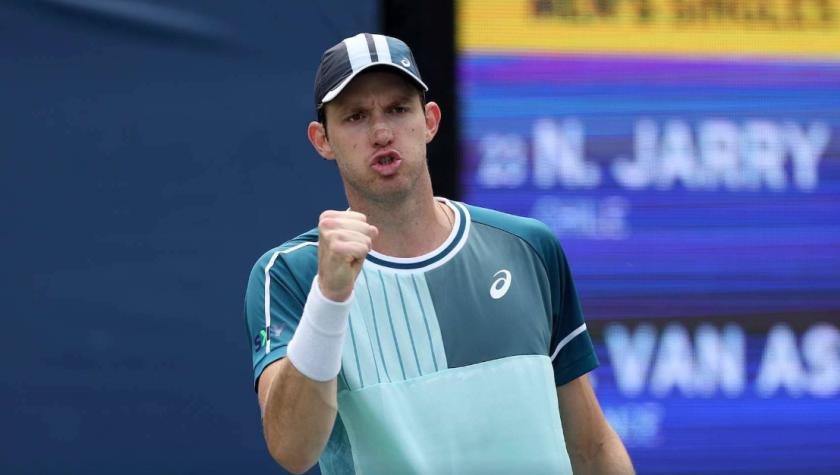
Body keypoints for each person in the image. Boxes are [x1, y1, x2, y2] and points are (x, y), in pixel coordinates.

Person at [244, 32, 634, 475]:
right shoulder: (292, 274)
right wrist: (330, 296)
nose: (381, 132)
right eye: (355, 116)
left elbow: (591, 447)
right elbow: (292, 450)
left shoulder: (529, 247)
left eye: (398, 108)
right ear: (322, 140)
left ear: (429, 120)